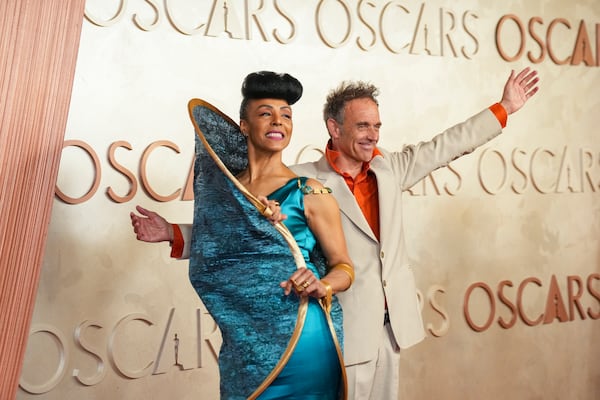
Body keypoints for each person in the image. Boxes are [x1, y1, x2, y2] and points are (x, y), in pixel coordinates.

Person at [134, 67, 540, 399]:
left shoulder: (390, 168)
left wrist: (504, 108)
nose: (373, 135)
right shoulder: (305, 181)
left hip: (391, 329)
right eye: (363, 126)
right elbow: (239, 234)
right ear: (334, 127)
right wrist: (172, 233)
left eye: (377, 126)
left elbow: (447, 145)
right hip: (338, 329)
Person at [131, 71, 354, 399]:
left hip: (300, 335)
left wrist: (323, 285)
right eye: (266, 113)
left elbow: (344, 268)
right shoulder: (227, 188)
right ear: (244, 125)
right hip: (243, 341)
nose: (278, 122)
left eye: (286, 115)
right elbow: (229, 240)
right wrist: (171, 232)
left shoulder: (310, 192)